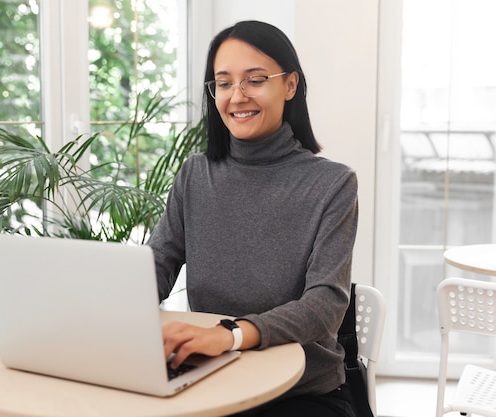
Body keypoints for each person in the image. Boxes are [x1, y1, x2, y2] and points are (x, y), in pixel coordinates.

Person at [147, 20, 359, 417]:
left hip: (301, 391)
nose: (237, 96)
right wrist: (106, 309)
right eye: (223, 83)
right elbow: (159, 263)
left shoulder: (332, 183)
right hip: (209, 377)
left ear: (290, 85)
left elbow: (326, 304)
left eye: (255, 79)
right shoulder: (195, 174)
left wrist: (228, 336)